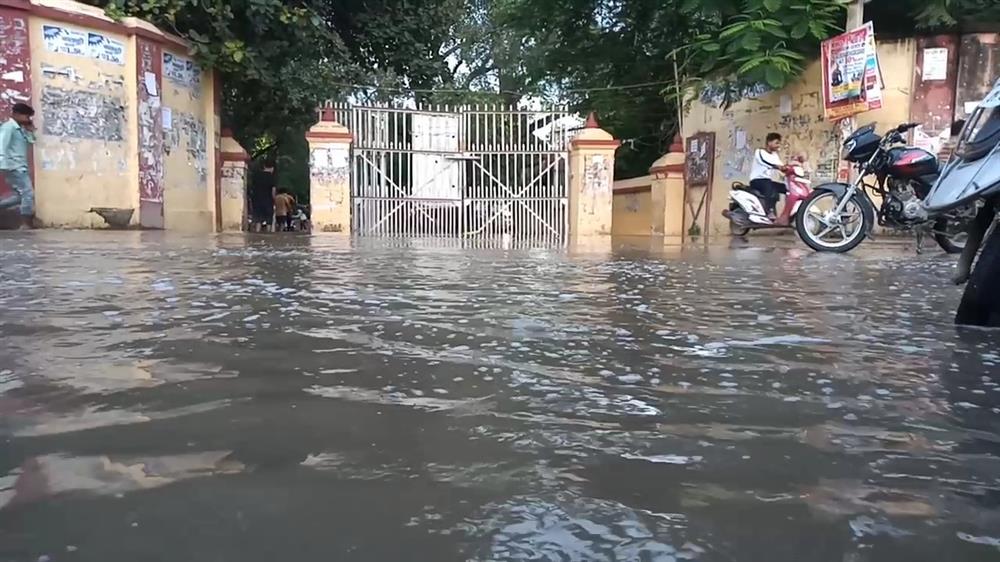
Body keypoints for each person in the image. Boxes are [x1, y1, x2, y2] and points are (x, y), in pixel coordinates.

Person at [0, 103, 37, 229]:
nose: (28, 119)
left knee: (19, 196)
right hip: (14, 167)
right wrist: (2, 164)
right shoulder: (8, 127)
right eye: (26, 116)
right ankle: (26, 224)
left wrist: (30, 131)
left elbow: (31, 141)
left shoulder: (20, 128)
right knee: (28, 193)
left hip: (20, 166)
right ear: (17, 114)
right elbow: (2, 145)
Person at [749, 132, 788, 221]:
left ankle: (788, 212)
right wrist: (778, 167)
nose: (778, 145)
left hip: (767, 180)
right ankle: (769, 211)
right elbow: (764, 161)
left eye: (779, 143)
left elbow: (781, 165)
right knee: (768, 185)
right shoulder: (759, 152)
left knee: (787, 188)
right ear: (769, 142)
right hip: (757, 180)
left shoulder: (774, 155)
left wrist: (788, 168)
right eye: (776, 143)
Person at [248, 160, 276, 232]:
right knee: (269, 220)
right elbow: (273, 191)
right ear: (272, 168)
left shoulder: (256, 176)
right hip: (268, 201)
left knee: (258, 219)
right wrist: (274, 200)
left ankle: (257, 232)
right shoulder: (271, 177)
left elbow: (252, 188)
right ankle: (268, 234)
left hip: (257, 200)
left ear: (264, 166)